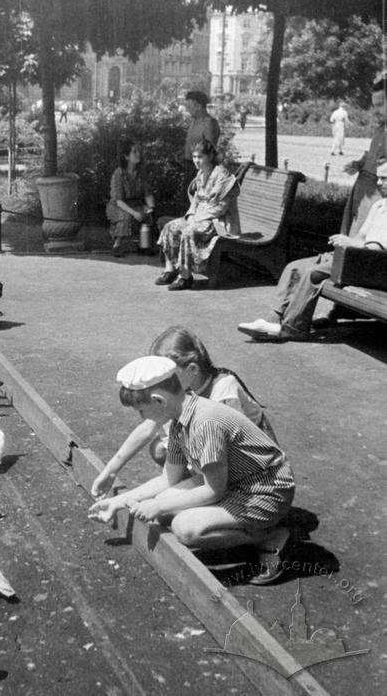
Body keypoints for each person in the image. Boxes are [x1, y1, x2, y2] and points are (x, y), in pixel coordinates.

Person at [88, 356, 295, 585]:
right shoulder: (180, 418)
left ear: (158, 401)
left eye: (141, 411)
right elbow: (167, 479)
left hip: (264, 491)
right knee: (166, 506)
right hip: (235, 481)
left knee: (185, 528)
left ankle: (269, 535)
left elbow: (214, 491)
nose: (142, 417)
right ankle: (238, 525)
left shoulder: (205, 423)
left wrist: (157, 506)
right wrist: (119, 502)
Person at [91, 327, 277, 499]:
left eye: (168, 373)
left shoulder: (223, 389)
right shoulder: (186, 389)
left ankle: (211, 495)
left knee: (170, 500)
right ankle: (191, 486)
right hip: (214, 455)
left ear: (192, 370)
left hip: (252, 470)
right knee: (160, 448)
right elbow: (148, 427)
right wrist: (111, 470)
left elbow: (231, 452)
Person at [238, 160, 387, 341]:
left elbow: (377, 248)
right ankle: (273, 318)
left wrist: (351, 244)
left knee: (313, 273)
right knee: (294, 267)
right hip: (357, 258)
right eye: (378, 178)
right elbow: (362, 238)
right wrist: (349, 242)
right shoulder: (379, 206)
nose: (379, 183)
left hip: (376, 267)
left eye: (384, 179)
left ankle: (294, 327)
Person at [156, 140, 240, 290]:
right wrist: (191, 215)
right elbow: (196, 199)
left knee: (188, 231)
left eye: (200, 157)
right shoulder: (201, 173)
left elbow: (220, 208)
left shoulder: (222, 175)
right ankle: (170, 270)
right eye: (194, 157)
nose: (196, 160)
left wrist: (196, 219)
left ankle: (185, 277)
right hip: (200, 216)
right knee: (170, 227)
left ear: (210, 156)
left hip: (218, 221)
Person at [341, 76, 387, 234]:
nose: (376, 110)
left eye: (380, 105)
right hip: (362, 188)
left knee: (366, 239)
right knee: (352, 230)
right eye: (374, 105)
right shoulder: (381, 128)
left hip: (377, 193)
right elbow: (372, 153)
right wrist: (359, 163)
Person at [106, 138, 155, 257]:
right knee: (126, 217)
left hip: (135, 203)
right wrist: (134, 213)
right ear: (126, 156)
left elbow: (147, 193)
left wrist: (151, 207)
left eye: (138, 151)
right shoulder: (118, 173)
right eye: (134, 152)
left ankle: (144, 246)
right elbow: (118, 200)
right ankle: (117, 245)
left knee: (148, 215)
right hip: (118, 205)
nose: (138, 154)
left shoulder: (141, 173)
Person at [182, 91, 220, 188]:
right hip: (190, 166)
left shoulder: (209, 123)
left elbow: (209, 149)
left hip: (201, 170)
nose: (187, 109)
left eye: (189, 106)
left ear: (198, 106)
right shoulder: (194, 121)